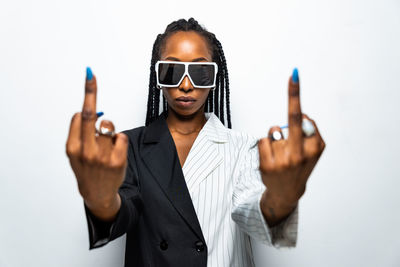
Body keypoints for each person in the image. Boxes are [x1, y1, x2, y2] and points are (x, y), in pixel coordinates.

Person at [66, 18, 325, 267]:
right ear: (157, 76)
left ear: (215, 78)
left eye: (200, 72)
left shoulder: (243, 148)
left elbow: (250, 210)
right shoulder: (128, 146)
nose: (186, 85)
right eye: (172, 71)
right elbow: (122, 213)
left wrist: (281, 198)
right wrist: (99, 198)